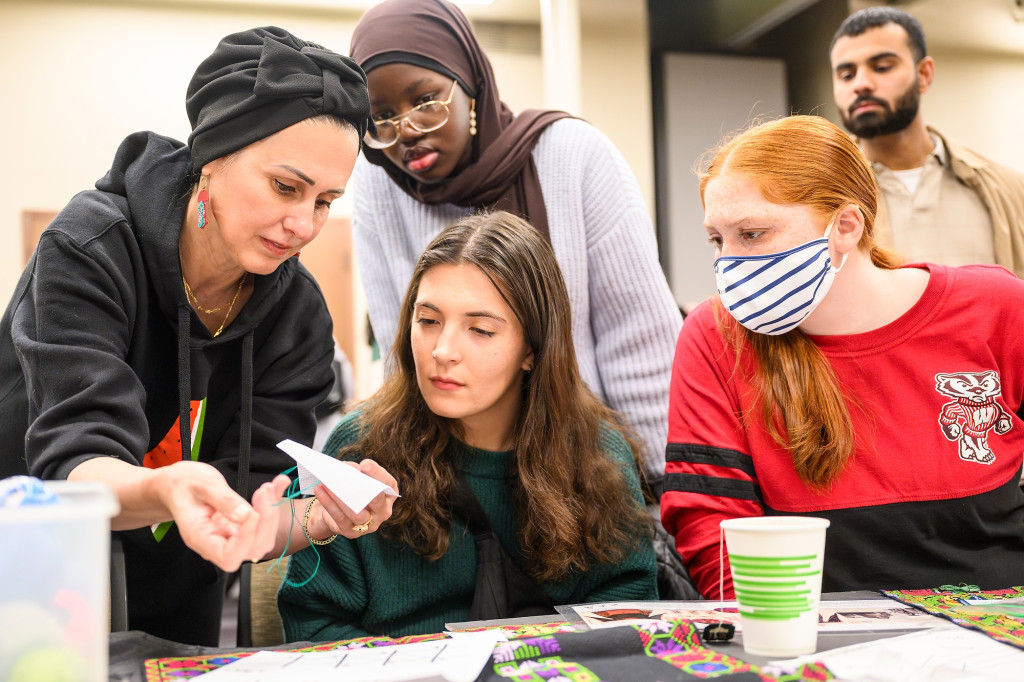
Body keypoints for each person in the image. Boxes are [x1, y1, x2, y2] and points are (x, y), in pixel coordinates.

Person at [0, 27, 398, 645]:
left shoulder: (297, 317)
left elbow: (250, 512)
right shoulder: (90, 251)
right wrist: (166, 488)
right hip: (31, 580)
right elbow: (71, 465)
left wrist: (321, 516)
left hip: (177, 605)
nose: (302, 224)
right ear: (213, 156)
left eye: (325, 201)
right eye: (285, 187)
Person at [661, 115, 1024, 599]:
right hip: (815, 641)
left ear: (846, 226)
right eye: (717, 239)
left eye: (752, 234)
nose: (728, 262)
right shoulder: (714, 337)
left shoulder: (995, 308)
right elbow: (712, 528)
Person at [345, 0, 682, 490]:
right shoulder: (378, 187)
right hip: (453, 477)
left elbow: (640, 344)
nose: (408, 132)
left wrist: (655, 488)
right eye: (382, 118)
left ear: (471, 86)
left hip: (583, 469)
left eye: (426, 101)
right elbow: (404, 356)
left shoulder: (573, 156)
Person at [278, 211, 658, 640]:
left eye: (479, 329)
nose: (442, 350)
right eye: (428, 321)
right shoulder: (359, 447)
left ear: (532, 349)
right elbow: (313, 623)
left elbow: (630, 614)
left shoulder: (597, 452)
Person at [830, 6, 1024, 276]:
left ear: (924, 75)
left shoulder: (1008, 189)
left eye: (882, 67)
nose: (861, 84)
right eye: (846, 75)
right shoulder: (822, 193)